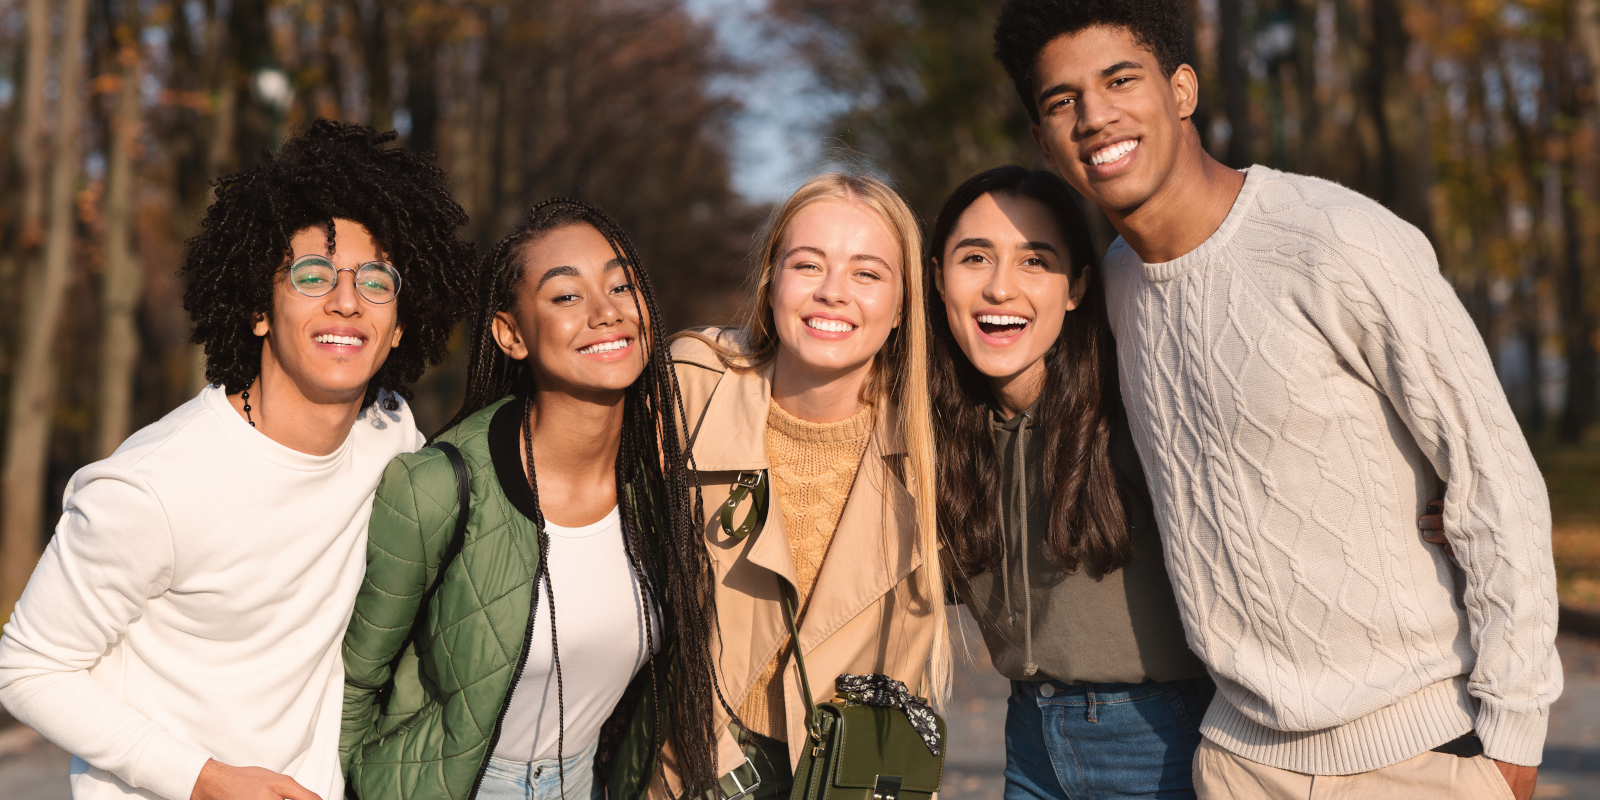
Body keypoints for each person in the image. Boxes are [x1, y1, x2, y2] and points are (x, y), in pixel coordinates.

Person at [990, 2, 1561, 800]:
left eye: (1120, 79)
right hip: (1237, 762)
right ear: (1044, 139)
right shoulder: (1114, 286)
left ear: (1181, 88)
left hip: (1417, 752)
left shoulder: (1338, 241)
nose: (1095, 116)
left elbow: (1496, 483)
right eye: (1062, 102)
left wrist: (1511, 747)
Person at [0, 120, 476, 800]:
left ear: (399, 323)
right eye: (313, 275)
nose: (346, 299)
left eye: (375, 281)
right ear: (258, 306)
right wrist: (204, 779)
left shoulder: (391, 433)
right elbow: (27, 667)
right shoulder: (153, 487)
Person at [339, 199, 721, 800]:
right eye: (566, 296)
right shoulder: (437, 487)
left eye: (621, 285)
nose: (606, 312)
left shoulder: (657, 492)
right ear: (510, 334)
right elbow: (354, 684)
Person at [660, 173, 949, 799]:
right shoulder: (690, 387)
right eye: (808, 264)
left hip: (844, 776)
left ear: (902, 306)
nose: (833, 293)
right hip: (694, 770)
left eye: (868, 274)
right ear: (770, 283)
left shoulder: (935, 443)